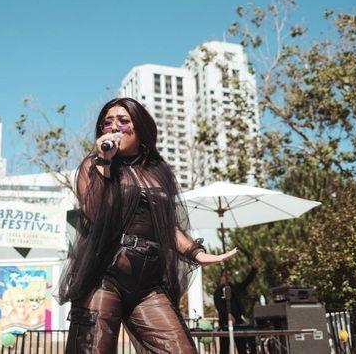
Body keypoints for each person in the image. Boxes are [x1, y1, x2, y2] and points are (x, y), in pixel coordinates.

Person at [58, 98, 239, 353]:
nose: (114, 127)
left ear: (140, 127)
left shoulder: (159, 170)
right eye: (107, 123)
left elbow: (166, 225)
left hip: (147, 284)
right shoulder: (93, 165)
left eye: (123, 121)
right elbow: (95, 212)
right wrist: (105, 162)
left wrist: (195, 252)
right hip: (105, 275)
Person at [213, 259, 260, 354]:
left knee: (242, 348)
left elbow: (246, 282)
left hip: (238, 324)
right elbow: (219, 307)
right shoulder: (218, 292)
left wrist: (254, 269)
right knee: (224, 350)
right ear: (221, 277)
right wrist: (228, 315)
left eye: (229, 275)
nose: (227, 277)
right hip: (225, 324)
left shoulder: (235, 288)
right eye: (225, 275)